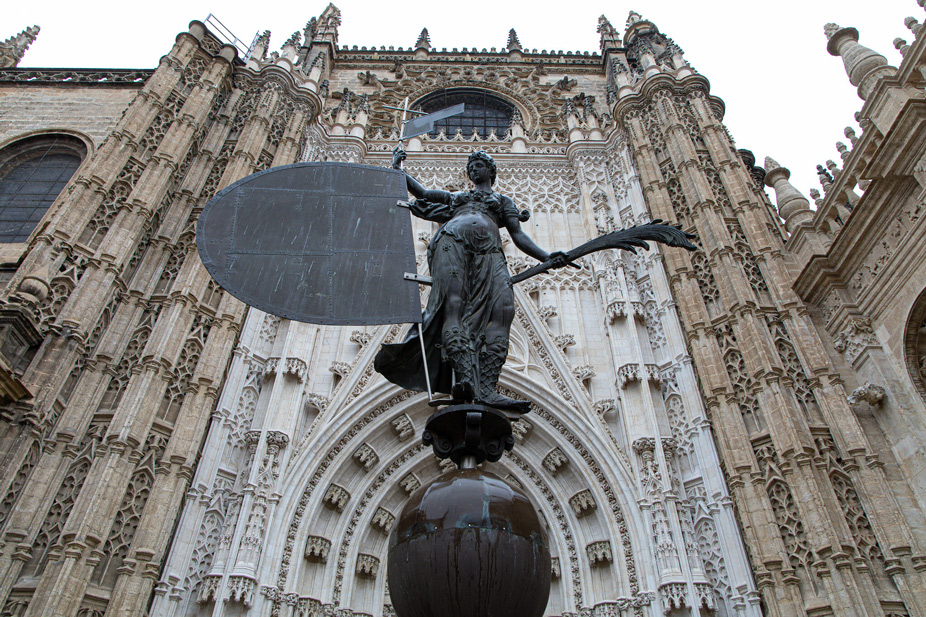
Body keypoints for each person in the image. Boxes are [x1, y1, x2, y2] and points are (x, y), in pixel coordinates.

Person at [374, 147, 570, 411]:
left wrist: (546, 256)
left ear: (490, 170)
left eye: (477, 165)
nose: (472, 170)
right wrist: (399, 170)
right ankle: (466, 379)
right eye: (470, 167)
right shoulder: (458, 198)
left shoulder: (502, 202)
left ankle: (487, 388)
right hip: (452, 242)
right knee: (453, 305)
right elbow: (422, 194)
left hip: (489, 251)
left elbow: (518, 236)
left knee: (503, 310)